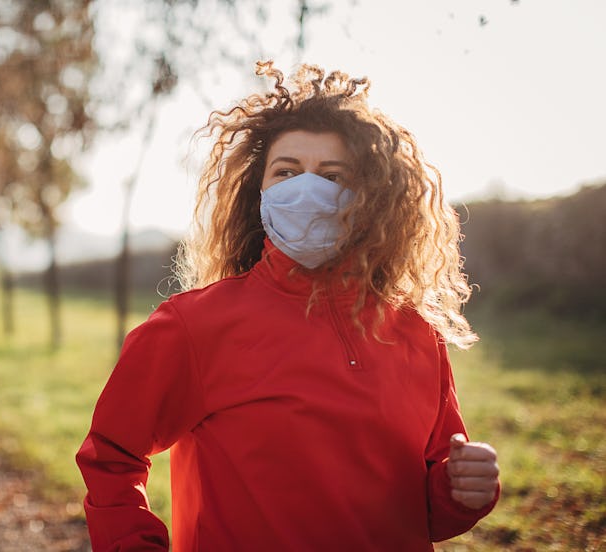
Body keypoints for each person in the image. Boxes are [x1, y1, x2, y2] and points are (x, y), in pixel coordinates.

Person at [76, 61, 500, 551]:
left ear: (370, 198)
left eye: (332, 175)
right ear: (259, 193)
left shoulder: (415, 334)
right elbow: (111, 457)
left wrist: (463, 490)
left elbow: (423, 509)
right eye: (287, 172)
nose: (307, 190)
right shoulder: (192, 325)